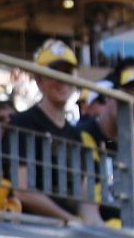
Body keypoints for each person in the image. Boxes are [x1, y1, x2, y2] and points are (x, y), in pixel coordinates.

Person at [6, 38, 84, 224]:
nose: (61, 80)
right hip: (32, 231)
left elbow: (85, 201)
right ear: (39, 80)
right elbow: (22, 191)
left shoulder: (76, 136)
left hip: (67, 233)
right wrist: (70, 220)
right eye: (54, 73)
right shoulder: (23, 123)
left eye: (67, 73)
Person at [76, 58, 134, 227]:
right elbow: (85, 202)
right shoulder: (83, 134)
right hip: (97, 231)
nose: (133, 106)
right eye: (128, 96)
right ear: (109, 97)